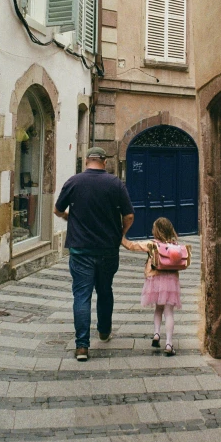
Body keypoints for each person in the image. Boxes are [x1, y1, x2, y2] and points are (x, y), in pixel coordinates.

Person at [54, 147, 134, 362]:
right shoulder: (115, 183)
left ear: (87, 161)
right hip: (108, 249)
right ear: (104, 162)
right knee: (105, 289)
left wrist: (69, 217)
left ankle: (82, 347)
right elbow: (129, 215)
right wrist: (121, 234)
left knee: (82, 295)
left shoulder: (74, 181)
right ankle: (104, 330)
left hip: (81, 250)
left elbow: (57, 209)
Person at [122, 216, 181, 357]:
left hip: (155, 279)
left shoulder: (151, 244)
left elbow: (131, 246)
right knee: (169, 312)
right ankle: (168, 343)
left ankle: (156, 334)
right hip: (171, 281)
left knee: (158, 309)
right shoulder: (174, 245)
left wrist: (120, 236)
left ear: (156, 231)